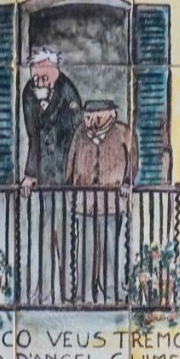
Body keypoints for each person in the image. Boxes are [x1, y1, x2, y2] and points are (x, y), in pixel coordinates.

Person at [19, 46, 82, 303]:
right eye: (35, 73)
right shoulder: (29, 93)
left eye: (43, 73)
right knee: (45, 234)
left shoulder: (68, 91)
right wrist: (30, 173)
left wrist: (49, 105)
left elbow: (76, 132)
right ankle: (45, 292)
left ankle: (68, 293)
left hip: (65, 174)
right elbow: (33, 135)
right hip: (45, 174)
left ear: (54, 69)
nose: (38, 79)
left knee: (65, 234)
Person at [65, 100, 138, 303]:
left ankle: (111, 290)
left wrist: (127, 182)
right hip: (86, 202)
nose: (91, 121)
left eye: (97, 116)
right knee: (86, 248)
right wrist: (71, 184)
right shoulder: (80, 135)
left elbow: (133, 162)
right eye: (88, 117)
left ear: (111, 115)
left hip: (112, 202)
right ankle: (85, 292)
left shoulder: (124, 133)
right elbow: (70, 162)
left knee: (110, 248)